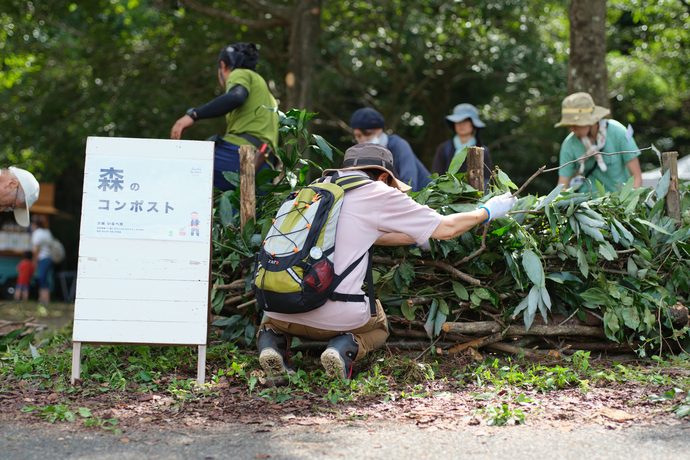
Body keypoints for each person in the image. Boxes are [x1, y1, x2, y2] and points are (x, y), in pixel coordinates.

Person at [256, 143, 516, 379]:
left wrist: (416, 235)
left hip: (279, 308)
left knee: (271, 319)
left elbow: (365, 234)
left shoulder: (312, 192)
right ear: (383, 177)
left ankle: (271, 341)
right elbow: (447, 228)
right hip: (336, 315)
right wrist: (488, 211)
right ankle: (343, 348)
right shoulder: (378, 192)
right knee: (379, 324)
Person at [170, 42, 279, 192]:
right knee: (235, 214)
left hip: (239, 156)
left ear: (223, 66)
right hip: (264, 166)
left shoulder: (241, 73)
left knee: (177, 170)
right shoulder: (266, 93)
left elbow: (236, 97)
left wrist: (193, 115)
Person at [555, 92, 642, 193]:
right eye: (569, 124)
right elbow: (562, 186)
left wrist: (630, 202)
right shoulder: (569, 144)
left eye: (575, 124)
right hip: (588, 203)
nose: (571, 128)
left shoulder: (618, 132)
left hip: (620, 200)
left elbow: (637, 177)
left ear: (591, 120)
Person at [349, 108, 432, 192]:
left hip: (427, 197)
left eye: (367, 134)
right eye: (358, 136)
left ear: (380, 130)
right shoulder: (361, 155)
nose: (362, 139)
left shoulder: (398, 145)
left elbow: (410, 184)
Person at [431, 104, 494, 184]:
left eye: (466, 121)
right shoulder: (444, 148)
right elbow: (436, 178)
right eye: (458, 121)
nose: (461, 124)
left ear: (474, 124)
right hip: (446, 195)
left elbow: (487, 181)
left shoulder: (482, 151)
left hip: (474, 196)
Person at [31, 215, 53, 306]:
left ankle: (45, 300)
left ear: (35, 224)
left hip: (42, 258)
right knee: (45, 278)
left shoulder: (37, 233)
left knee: (41, 278)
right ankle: (42, 299)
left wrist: (34, 262)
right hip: (49, 258)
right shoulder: (47, 232)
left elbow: (36, 250)